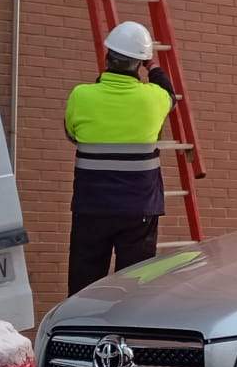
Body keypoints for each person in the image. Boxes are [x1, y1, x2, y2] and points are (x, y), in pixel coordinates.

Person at [63, 20, 174, 294]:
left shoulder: (81, 95)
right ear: (140, 64)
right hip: (139, 210)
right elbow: (170, 93)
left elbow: (72, 134)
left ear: (107, 57)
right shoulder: (154, 98)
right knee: (134, 290)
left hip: (92, 209)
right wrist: (155, 66)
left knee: (84, 287)